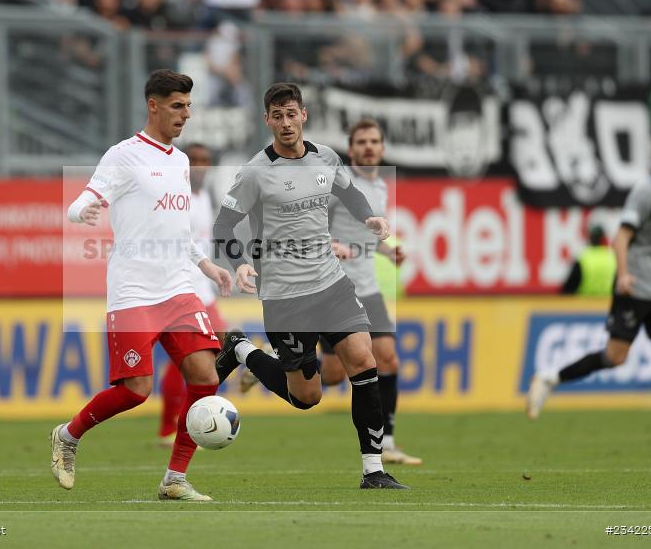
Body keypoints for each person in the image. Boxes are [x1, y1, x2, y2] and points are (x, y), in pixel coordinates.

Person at [212, 82, 409, 489]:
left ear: (304, 115)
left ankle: (374, 471)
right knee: (307, 396)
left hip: (332, 284)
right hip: (286, 297)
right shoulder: (254, 173)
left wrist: (370, 218)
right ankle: (242, 349)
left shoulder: (326, 157)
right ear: (267, 120)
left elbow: (349, 192)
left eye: (292, 113)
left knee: (363, 360)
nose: (286, 123)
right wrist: (242, 263)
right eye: (277, 115)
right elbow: (223, 226)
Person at [53, 70, 233, 501]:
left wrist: (206, 265)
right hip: (133, 291)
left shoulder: (182, 161)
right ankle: (68, 435)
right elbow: (80, 201)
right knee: (136, 390)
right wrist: (85, 212)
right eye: (177, 106)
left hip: (178, 288)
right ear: (153, 105)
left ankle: (175, 479)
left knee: (206, 376)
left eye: (188, 106)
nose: (185, 115)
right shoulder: (124, 156)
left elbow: (179, 229)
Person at [527, 138, 651, 446]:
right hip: (634, 287)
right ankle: (550, 377)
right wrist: (623, 275)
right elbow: (620, 238)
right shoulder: (645, 191)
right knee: (615, 357)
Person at [318, 120, 422, 466]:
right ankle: (279, 363)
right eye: (361, 141)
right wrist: (330, 243)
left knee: (388, 357)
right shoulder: (338, 185)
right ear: (351, 149)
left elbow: (367, 234)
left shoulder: (380, 189)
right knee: (331, 376)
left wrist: (387, 250)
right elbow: (309, 225)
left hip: (368, 287)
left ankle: (388, 443)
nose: (368, 147)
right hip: (334, 287)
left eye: (374, 141)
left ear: (382, 148)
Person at [157, 142, 228, 447]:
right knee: (214, 345)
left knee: (201, 354)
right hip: (184, 285)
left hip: (203, 286)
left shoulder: (204, 198)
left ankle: (171, 427)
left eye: (206, 160)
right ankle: (172, 427)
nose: (200, 166)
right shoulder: (177, 196)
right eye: (194, 160)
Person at [561, 224, 616, 296]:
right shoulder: (612, 258)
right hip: (606, 304)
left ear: (590, 238)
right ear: (604, 238)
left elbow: (568, 288)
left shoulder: (583, 258)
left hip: (585, 304)